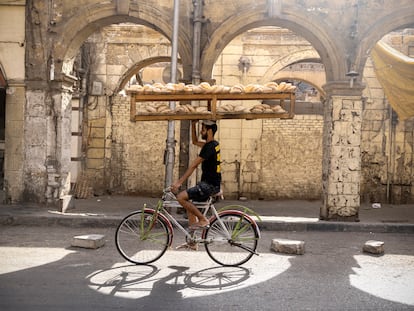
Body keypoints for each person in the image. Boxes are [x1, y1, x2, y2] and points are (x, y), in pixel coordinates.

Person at [171, 119, 221, 231]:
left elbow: (193, 165)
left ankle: (203, 219)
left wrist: (179, 182)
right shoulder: (213, 145)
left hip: (209, 185)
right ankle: (192, 242)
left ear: (209, 131)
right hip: (212, 184)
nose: (200, 132)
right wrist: (193, 124)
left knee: (181, 197)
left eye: (202, 130)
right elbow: (194, 141)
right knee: (190, 205)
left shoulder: (208, 148)